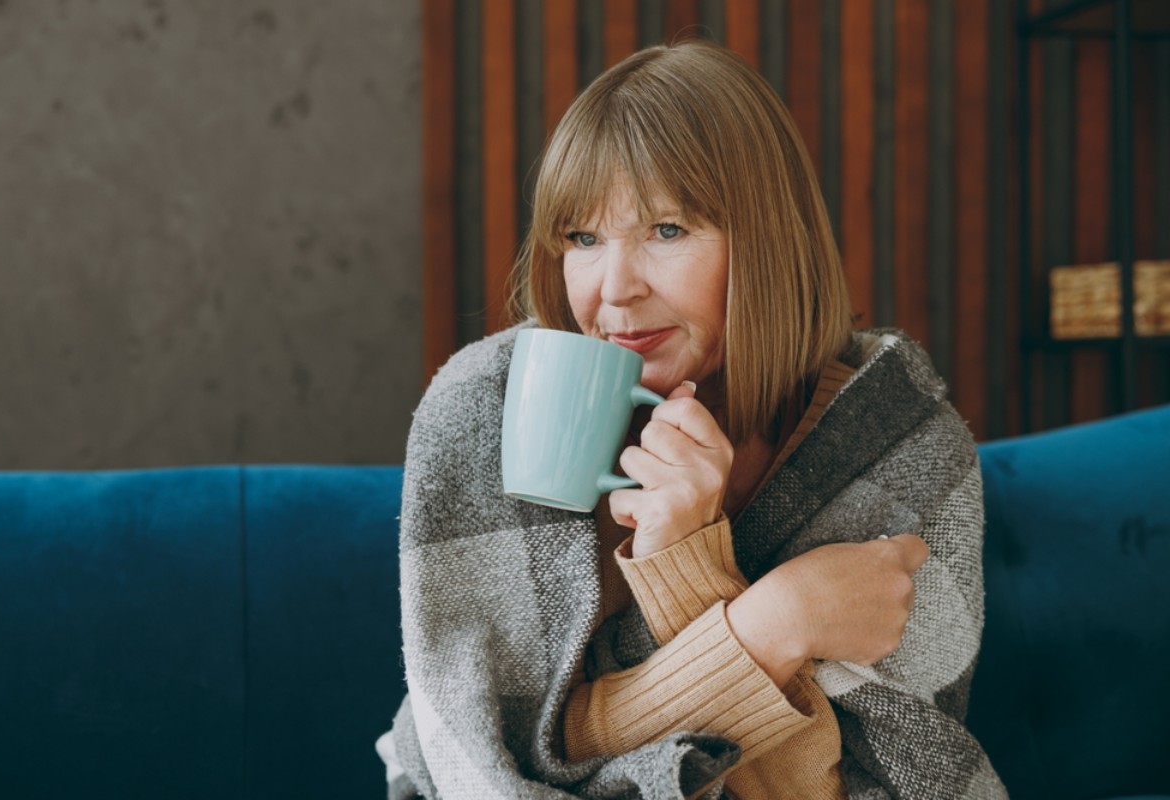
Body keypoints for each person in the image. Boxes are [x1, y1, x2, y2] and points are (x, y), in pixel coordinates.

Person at [379, 40, 1005, 799]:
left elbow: (861, 788)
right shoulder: (487, 406)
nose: (614, 289)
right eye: (583, 238)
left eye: (667, 230)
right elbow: (487, 768)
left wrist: (684, 568)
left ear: (769, 240)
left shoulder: (901, 444)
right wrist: (776, 623)